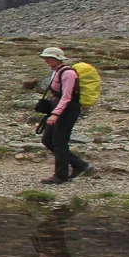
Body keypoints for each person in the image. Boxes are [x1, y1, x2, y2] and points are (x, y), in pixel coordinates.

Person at [38, 47, 94, 184]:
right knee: (48, 140)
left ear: (58, 58)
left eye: (49, 58)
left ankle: (61, 176)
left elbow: (67, 96)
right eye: (45, 58)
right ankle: (80, 165)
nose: (46, 60)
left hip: (67, 110)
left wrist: (55, 114)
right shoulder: (56, 71)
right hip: (59, 108)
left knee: (59, 142)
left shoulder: (68, 73)